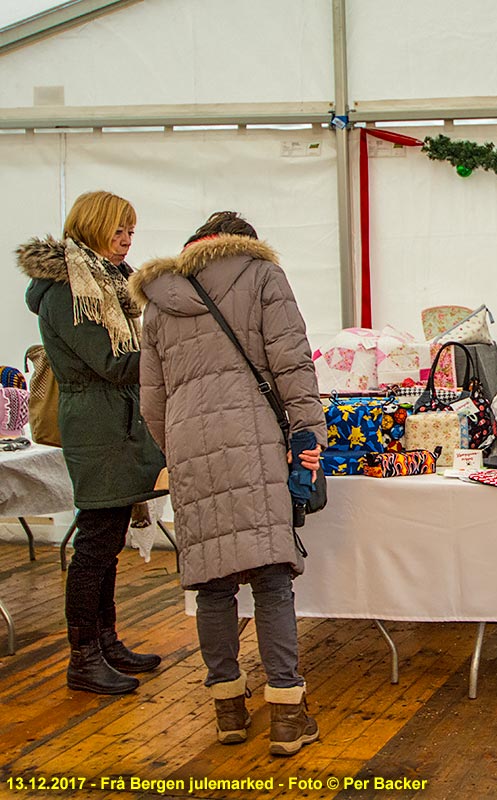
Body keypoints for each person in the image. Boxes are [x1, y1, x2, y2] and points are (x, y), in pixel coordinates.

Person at [131, 211, 326, 756]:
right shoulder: (263, 275)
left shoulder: (159, 298)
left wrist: (180, 449)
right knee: (270, 579)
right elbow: (292, 363)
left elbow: (152, 400)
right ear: (245, 244)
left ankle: (229, 712)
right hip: (254, 439)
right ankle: (286, 714)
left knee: (212, 584)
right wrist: (307, 434)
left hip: (189, 446)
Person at [16, 190, 167, 695]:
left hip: (114, 422)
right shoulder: (69, 291)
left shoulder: (106, 282)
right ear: (91, 227)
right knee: (96, 544)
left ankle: (105, 641)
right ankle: (83, 657)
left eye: (131, 231)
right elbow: (112, 363)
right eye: (117, 230)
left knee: (107, 540)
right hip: (98, 425)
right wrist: (171, 351)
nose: (126, 241)